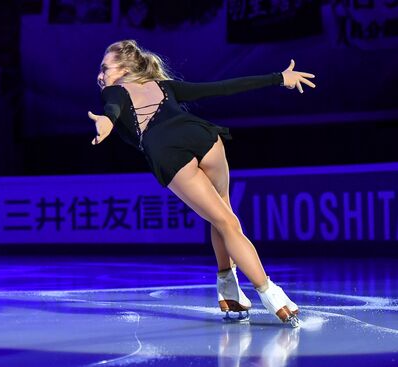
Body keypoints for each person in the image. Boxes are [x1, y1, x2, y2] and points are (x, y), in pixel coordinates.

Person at [88, 40, 316, 327]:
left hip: (166, 150)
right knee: (224, 216)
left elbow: (112, 108)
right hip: (203, 137)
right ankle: (230, 290)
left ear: (124, 69)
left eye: (105, 68)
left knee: (224, 221)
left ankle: (268, 293)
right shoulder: (165, 86)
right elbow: (220, 87)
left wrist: (107, 123)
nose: (101, 74)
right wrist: (279, 77)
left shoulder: (115, 90)